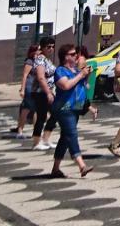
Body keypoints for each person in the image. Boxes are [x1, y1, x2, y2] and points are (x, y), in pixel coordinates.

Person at [48, 45, 94, 177]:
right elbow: (66, 85)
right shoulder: (60, 71)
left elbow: (86, 86)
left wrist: (86, 76)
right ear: (65, 57)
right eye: (73, 54)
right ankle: (82, 166)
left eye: (76, 54)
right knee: (72, 134)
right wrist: (81, 75)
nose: (76, 56)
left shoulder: (75, 70)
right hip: (64, 108)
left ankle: (55, 169)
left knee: (65, 137)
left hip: (76, 108)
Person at [28, 40, 59, 152]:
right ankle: (36, 142)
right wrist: (48, 92)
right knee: (41, 116)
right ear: (43, 47)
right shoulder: (40, 59)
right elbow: (41, 77)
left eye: (52, 46)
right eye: (48, 47)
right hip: (41, 92)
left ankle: (45, 138)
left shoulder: (47, 59)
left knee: (55, 113)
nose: (51, 49)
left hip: (49, 91)